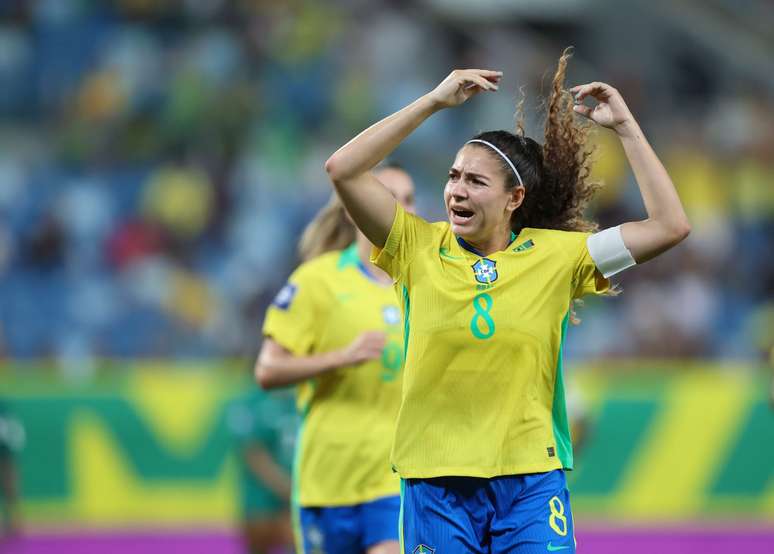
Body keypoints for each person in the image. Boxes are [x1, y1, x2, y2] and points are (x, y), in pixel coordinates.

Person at [324, 49, 690, 553]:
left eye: (475, 181)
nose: (456, 191)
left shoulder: (560, 256)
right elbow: (343, 169)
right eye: (453, 176)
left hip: (530, 482)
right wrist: (432, 102)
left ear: (514, 199)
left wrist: (626, 128)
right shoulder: (415, 246)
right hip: (436, 483)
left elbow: (670, 226)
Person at [255, 164, 416, 554]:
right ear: (354, 208)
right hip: (327, 480)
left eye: (409, 200)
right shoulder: (317, 280)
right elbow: (268, 370)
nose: (402, 210)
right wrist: (339, 358)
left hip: (395, 477)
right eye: (389, 198)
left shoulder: (424, 283)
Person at [226, 385, 297, 554]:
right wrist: (287, 487)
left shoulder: (300, 400)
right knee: (260, 542)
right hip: (260, 498)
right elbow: (252, 453)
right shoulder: (249, 403)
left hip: (296, 495)